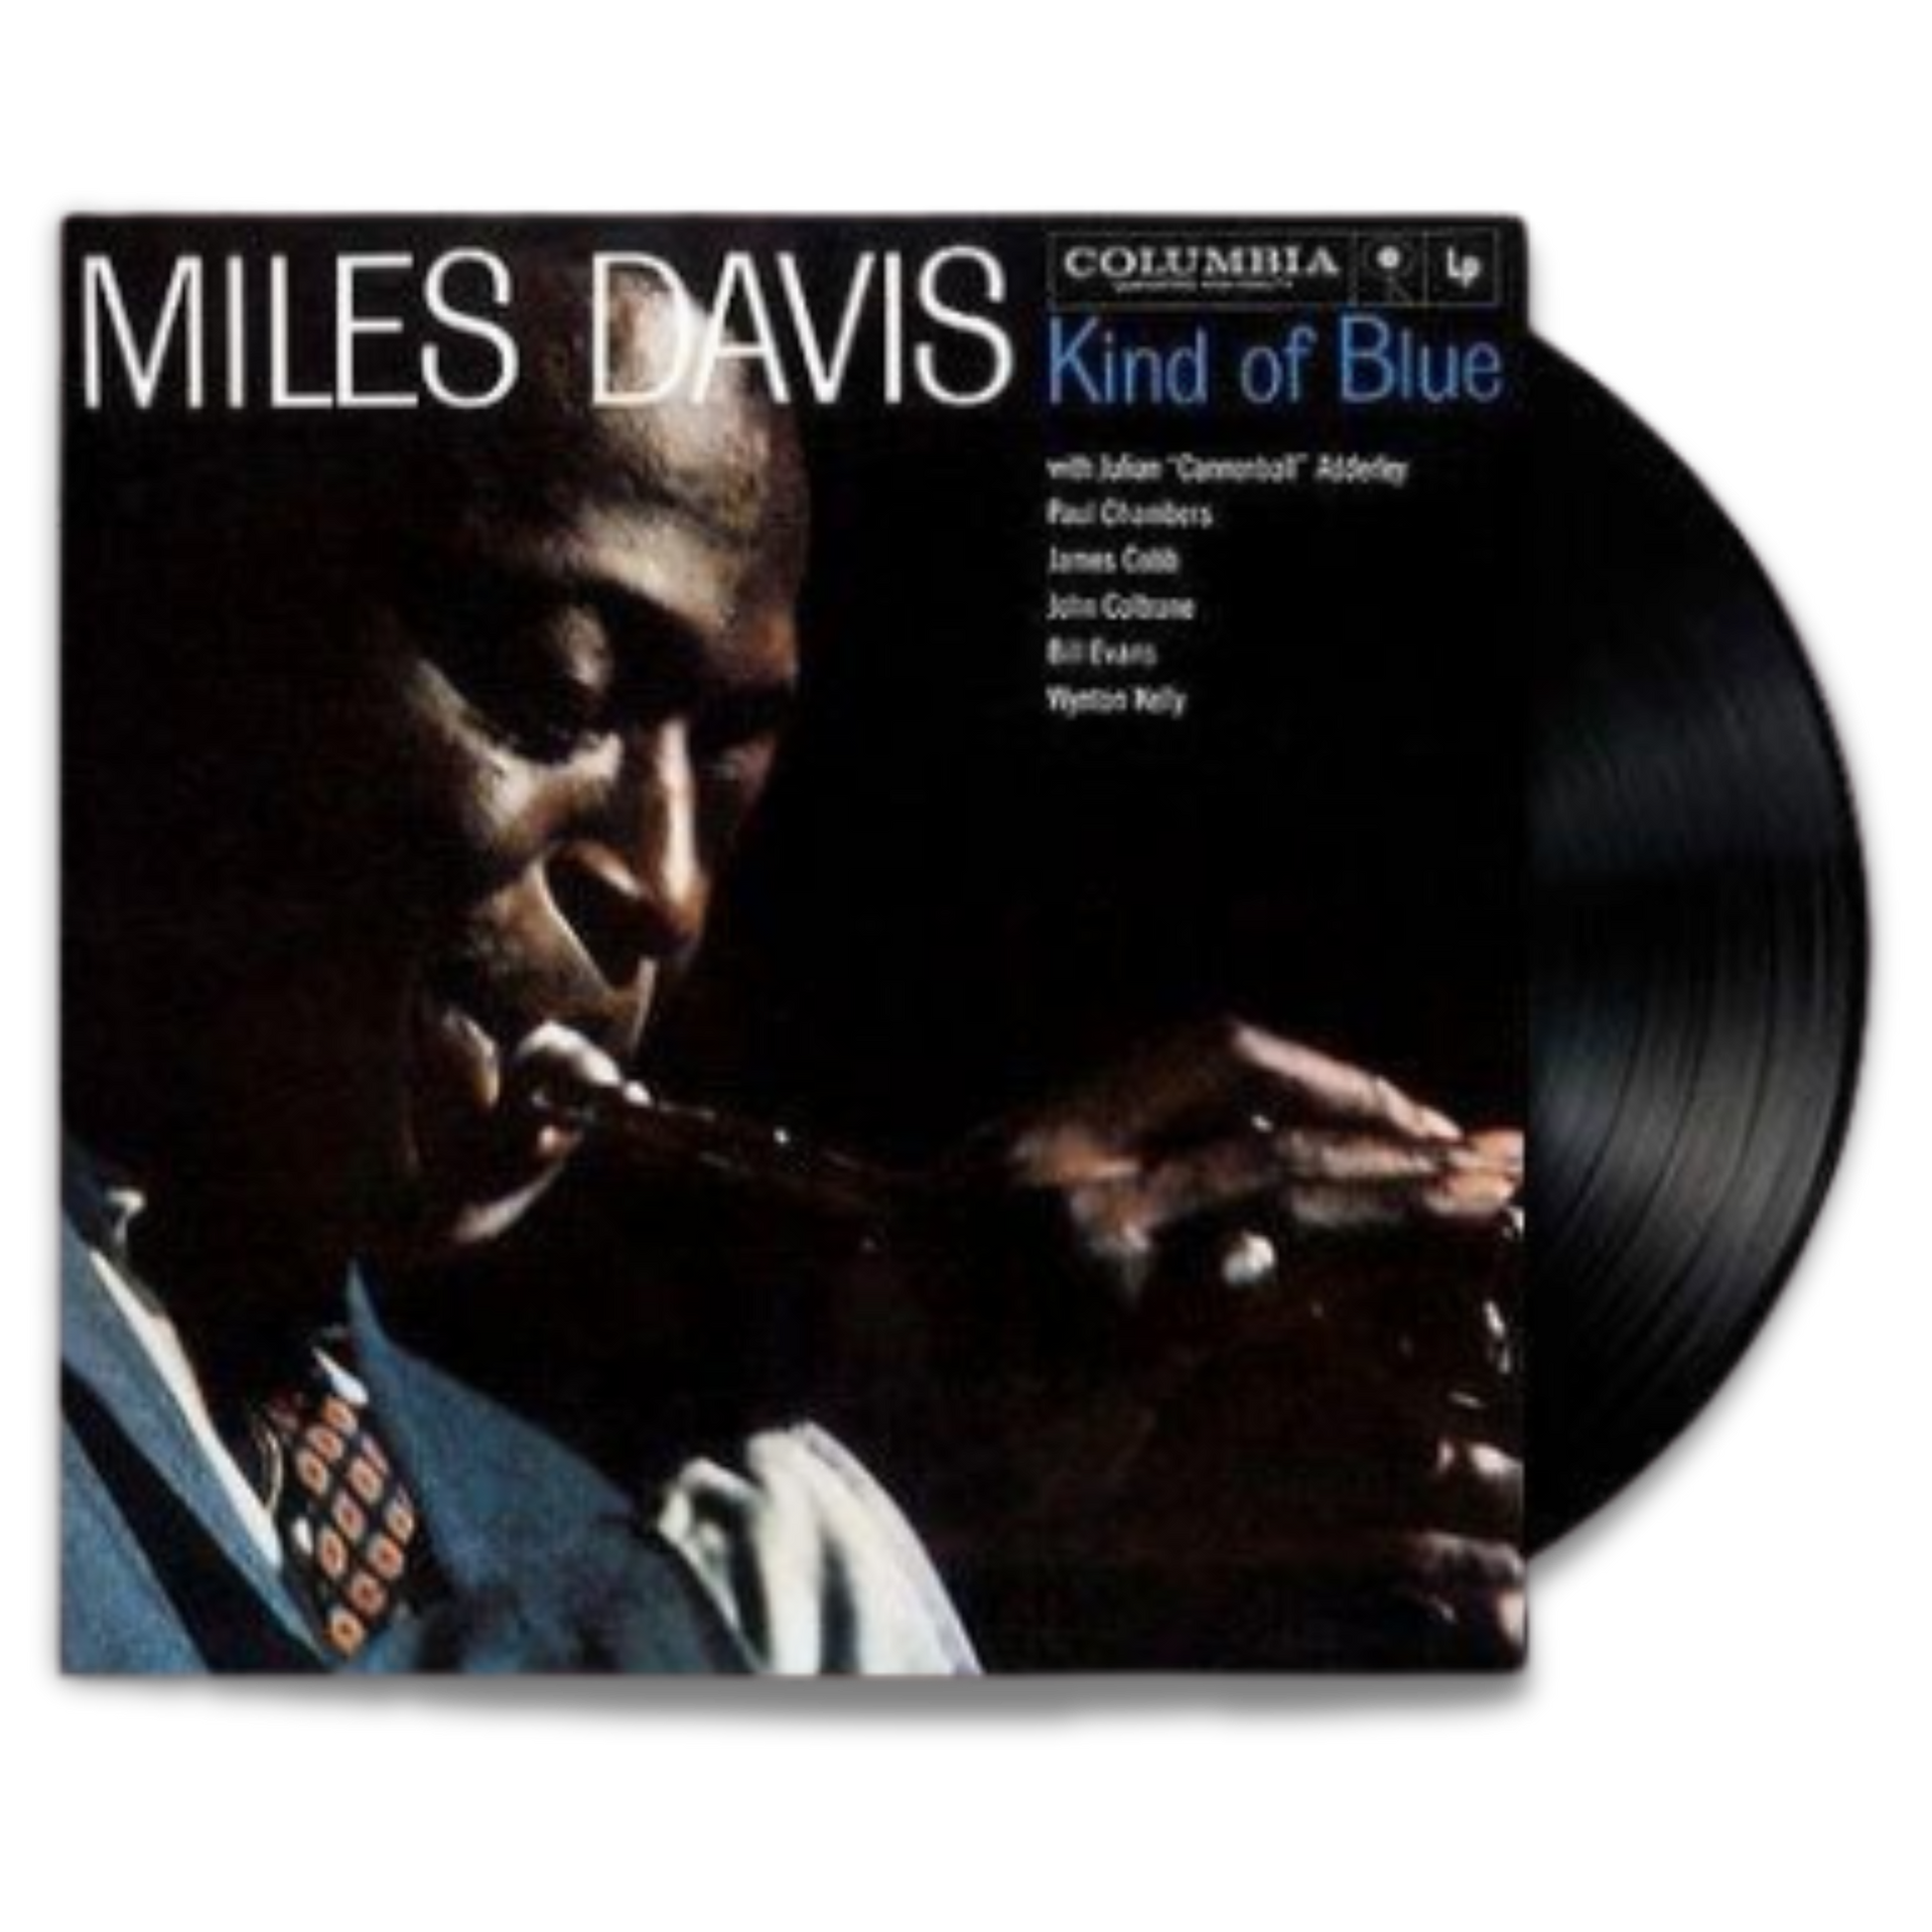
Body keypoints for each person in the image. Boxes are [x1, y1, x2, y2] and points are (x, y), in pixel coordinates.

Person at [59, 250, 1524, 1677]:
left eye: (727, 769)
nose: (673, 892)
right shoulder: (686, 1566)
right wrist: (880, 1523)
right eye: (557, 688)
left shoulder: (559, 1520)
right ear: (185, 617)